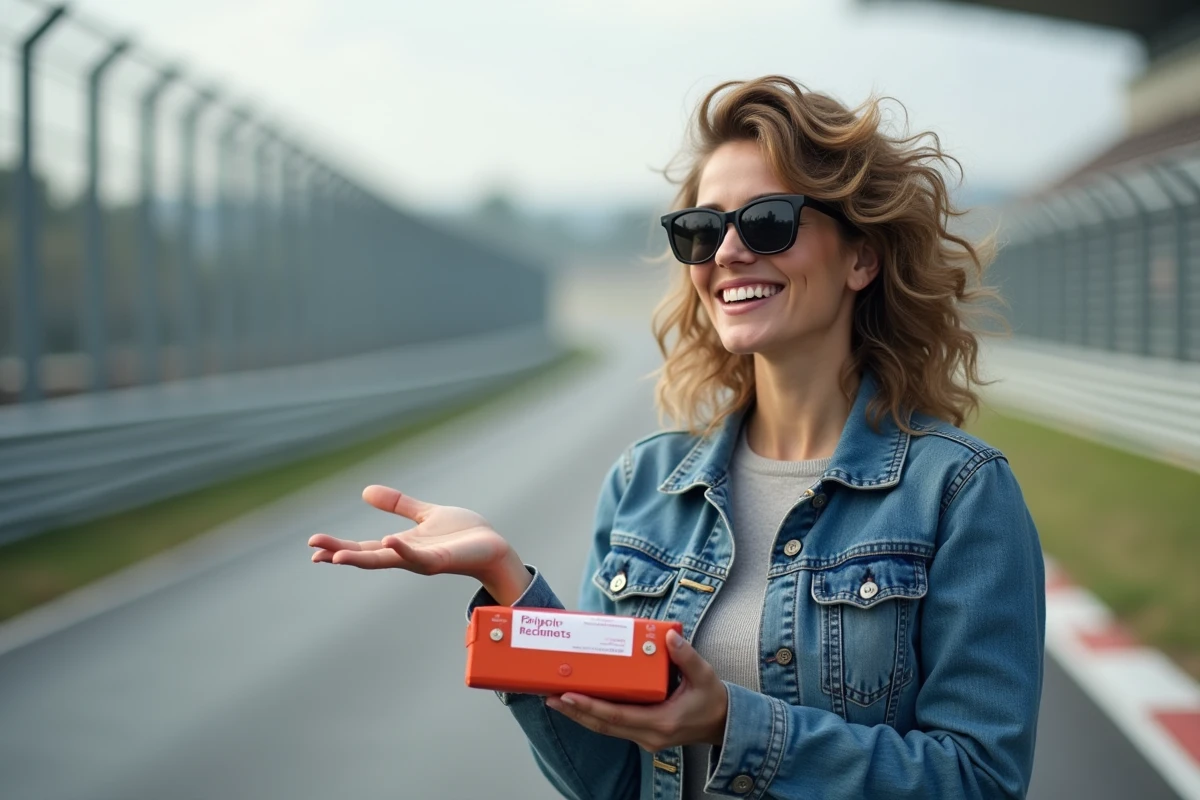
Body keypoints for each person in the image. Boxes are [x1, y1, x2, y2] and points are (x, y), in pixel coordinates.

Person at [308, 75, 1045, 800]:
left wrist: (735, 724)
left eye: (767, 221)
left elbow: (978, 779)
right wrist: (509, 583)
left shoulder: (958, 493)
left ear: (861, 257)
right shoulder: (644, 484)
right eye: (702, 230)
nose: (727, 253)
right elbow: (610, 780)